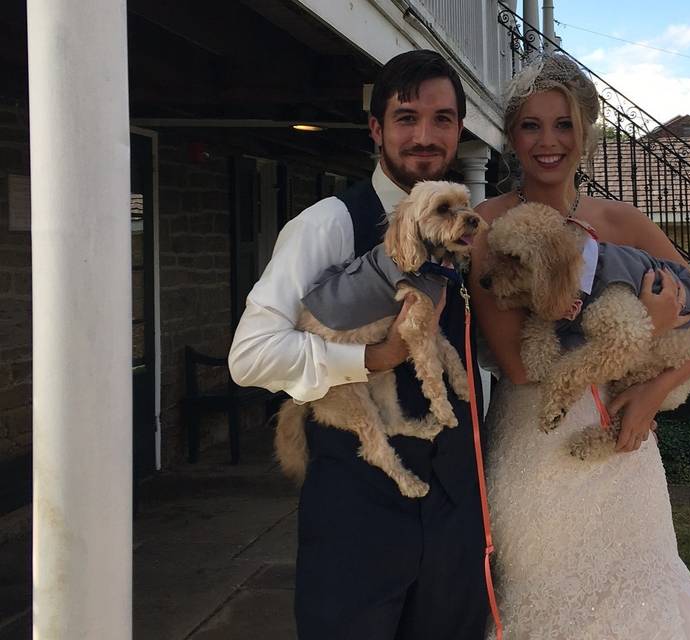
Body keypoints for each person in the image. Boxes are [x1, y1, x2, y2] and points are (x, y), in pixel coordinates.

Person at [468, 53, 690, 638]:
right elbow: (518, 365)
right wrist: (644, 318)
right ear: (511, 135)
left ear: (586, 132)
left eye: (563, 124)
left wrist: (653, 393)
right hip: (534, 449)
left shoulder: (623, 224)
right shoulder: (487, 229)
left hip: (624, 446)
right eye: (531, 126)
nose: (548, 141)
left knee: (642, 598)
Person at [228, 50, 488, 640]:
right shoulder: (330, 223)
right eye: (406, 117)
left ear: (459, 129)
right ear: (376, 129)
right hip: (359, 507)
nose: (425, 135)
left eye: (442, 119)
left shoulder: (463, 227)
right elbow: (251, 355)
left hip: (454, 510)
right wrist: (372, 358)